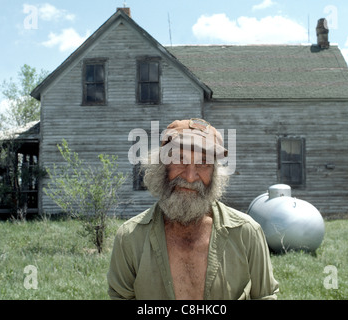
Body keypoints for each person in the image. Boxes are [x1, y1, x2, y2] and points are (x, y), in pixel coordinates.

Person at [108, 118, 279, 300]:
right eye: (179, 159)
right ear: (162, 166)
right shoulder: (130, 238)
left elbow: (265, 296)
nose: (190, 176)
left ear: (215, 173)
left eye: (203, 163)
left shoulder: (247, 233)